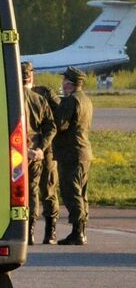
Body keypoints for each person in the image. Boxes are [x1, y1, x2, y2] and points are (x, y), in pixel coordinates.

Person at [54, 65, 94, 246]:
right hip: (84, 151)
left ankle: (77, 232)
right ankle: (81, 230)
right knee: (81, 192)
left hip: (72, 152)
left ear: (69, 83)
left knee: (72, 192)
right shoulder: (85, 99)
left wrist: (55, 108)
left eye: (65, 80)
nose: (63, 83)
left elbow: (61, 124)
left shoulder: (71, 101)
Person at [21, 62, 56, 245]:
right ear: (30, 77)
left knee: (16, 192)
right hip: (36, 152)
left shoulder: (10, 99)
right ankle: (31, 233)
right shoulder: (39, 99)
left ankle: (21, 230)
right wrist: (40, 148)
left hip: (16, 152)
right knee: (33, 190)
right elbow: (51, 126)